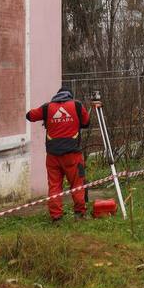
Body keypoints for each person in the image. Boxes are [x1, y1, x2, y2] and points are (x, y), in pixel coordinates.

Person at [26, 86, 91, 223]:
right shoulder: (77, 105)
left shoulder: (47, 108)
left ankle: (56, 217)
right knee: (77, 184)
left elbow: (30, 116)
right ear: (70, 96)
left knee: (55, 186)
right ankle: (79, 214)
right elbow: (86, 123)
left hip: (53, 156)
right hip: (72, 155)